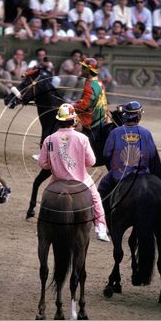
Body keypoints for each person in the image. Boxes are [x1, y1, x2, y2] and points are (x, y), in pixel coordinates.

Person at [38, 103, 110, 242]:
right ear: (73, 120)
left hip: (57, 179)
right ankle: (100, 227)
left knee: (46, 197)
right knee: (95, 198)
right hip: (80, 179)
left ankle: (44, 225)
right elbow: (92, 161)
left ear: (58, 120)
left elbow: (43, 164)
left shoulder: (49, 139)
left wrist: (53, 164)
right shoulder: (82, 138)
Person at [98, 101, 161, 213]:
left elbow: (106, 154)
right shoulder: (146, 133)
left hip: (118, 176)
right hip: (142, 174)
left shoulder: (115, 132)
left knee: (101, 189)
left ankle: (102, 219)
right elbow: (152, 154)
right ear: (138, 116)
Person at [73, 57, 108, 135]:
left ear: (87, 70)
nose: (81, 70)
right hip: (101, 116)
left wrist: (73, 105)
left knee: (67, 118)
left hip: (91, 119)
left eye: (83, 68)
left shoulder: (90, 85)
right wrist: (78, 102)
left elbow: (86, 105)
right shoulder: (99, 82)